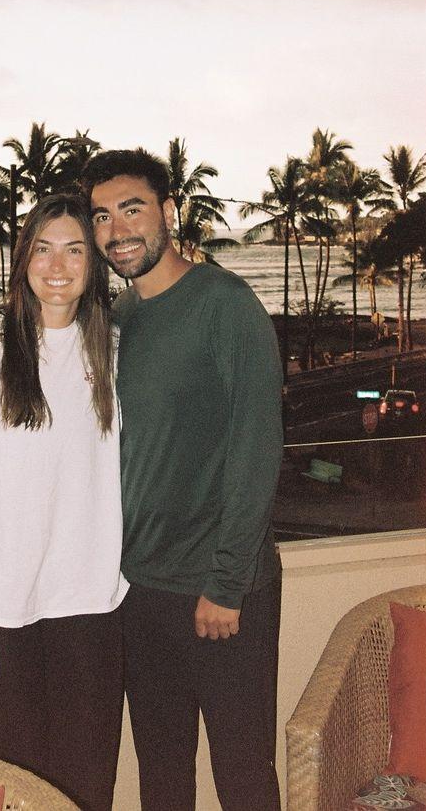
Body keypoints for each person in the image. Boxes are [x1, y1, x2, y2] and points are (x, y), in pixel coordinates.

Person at [82, 148, 284, 811]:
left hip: (219, 588)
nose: (117, 230)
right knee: (162, 774)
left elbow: (256, 448)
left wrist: (226, 583)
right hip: (140, 591)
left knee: (242, 774)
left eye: (132, 209)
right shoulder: (118, 319)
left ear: (169, 211)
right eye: (102, 216)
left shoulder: (224, 304)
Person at [0, 192, 127, 811]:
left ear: (94, 264)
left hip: (90, 604)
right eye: (43, 249)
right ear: (22, 259)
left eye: (75, 250)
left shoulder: (113, 349)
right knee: (29, 790)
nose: (58, 266)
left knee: (89, 790)